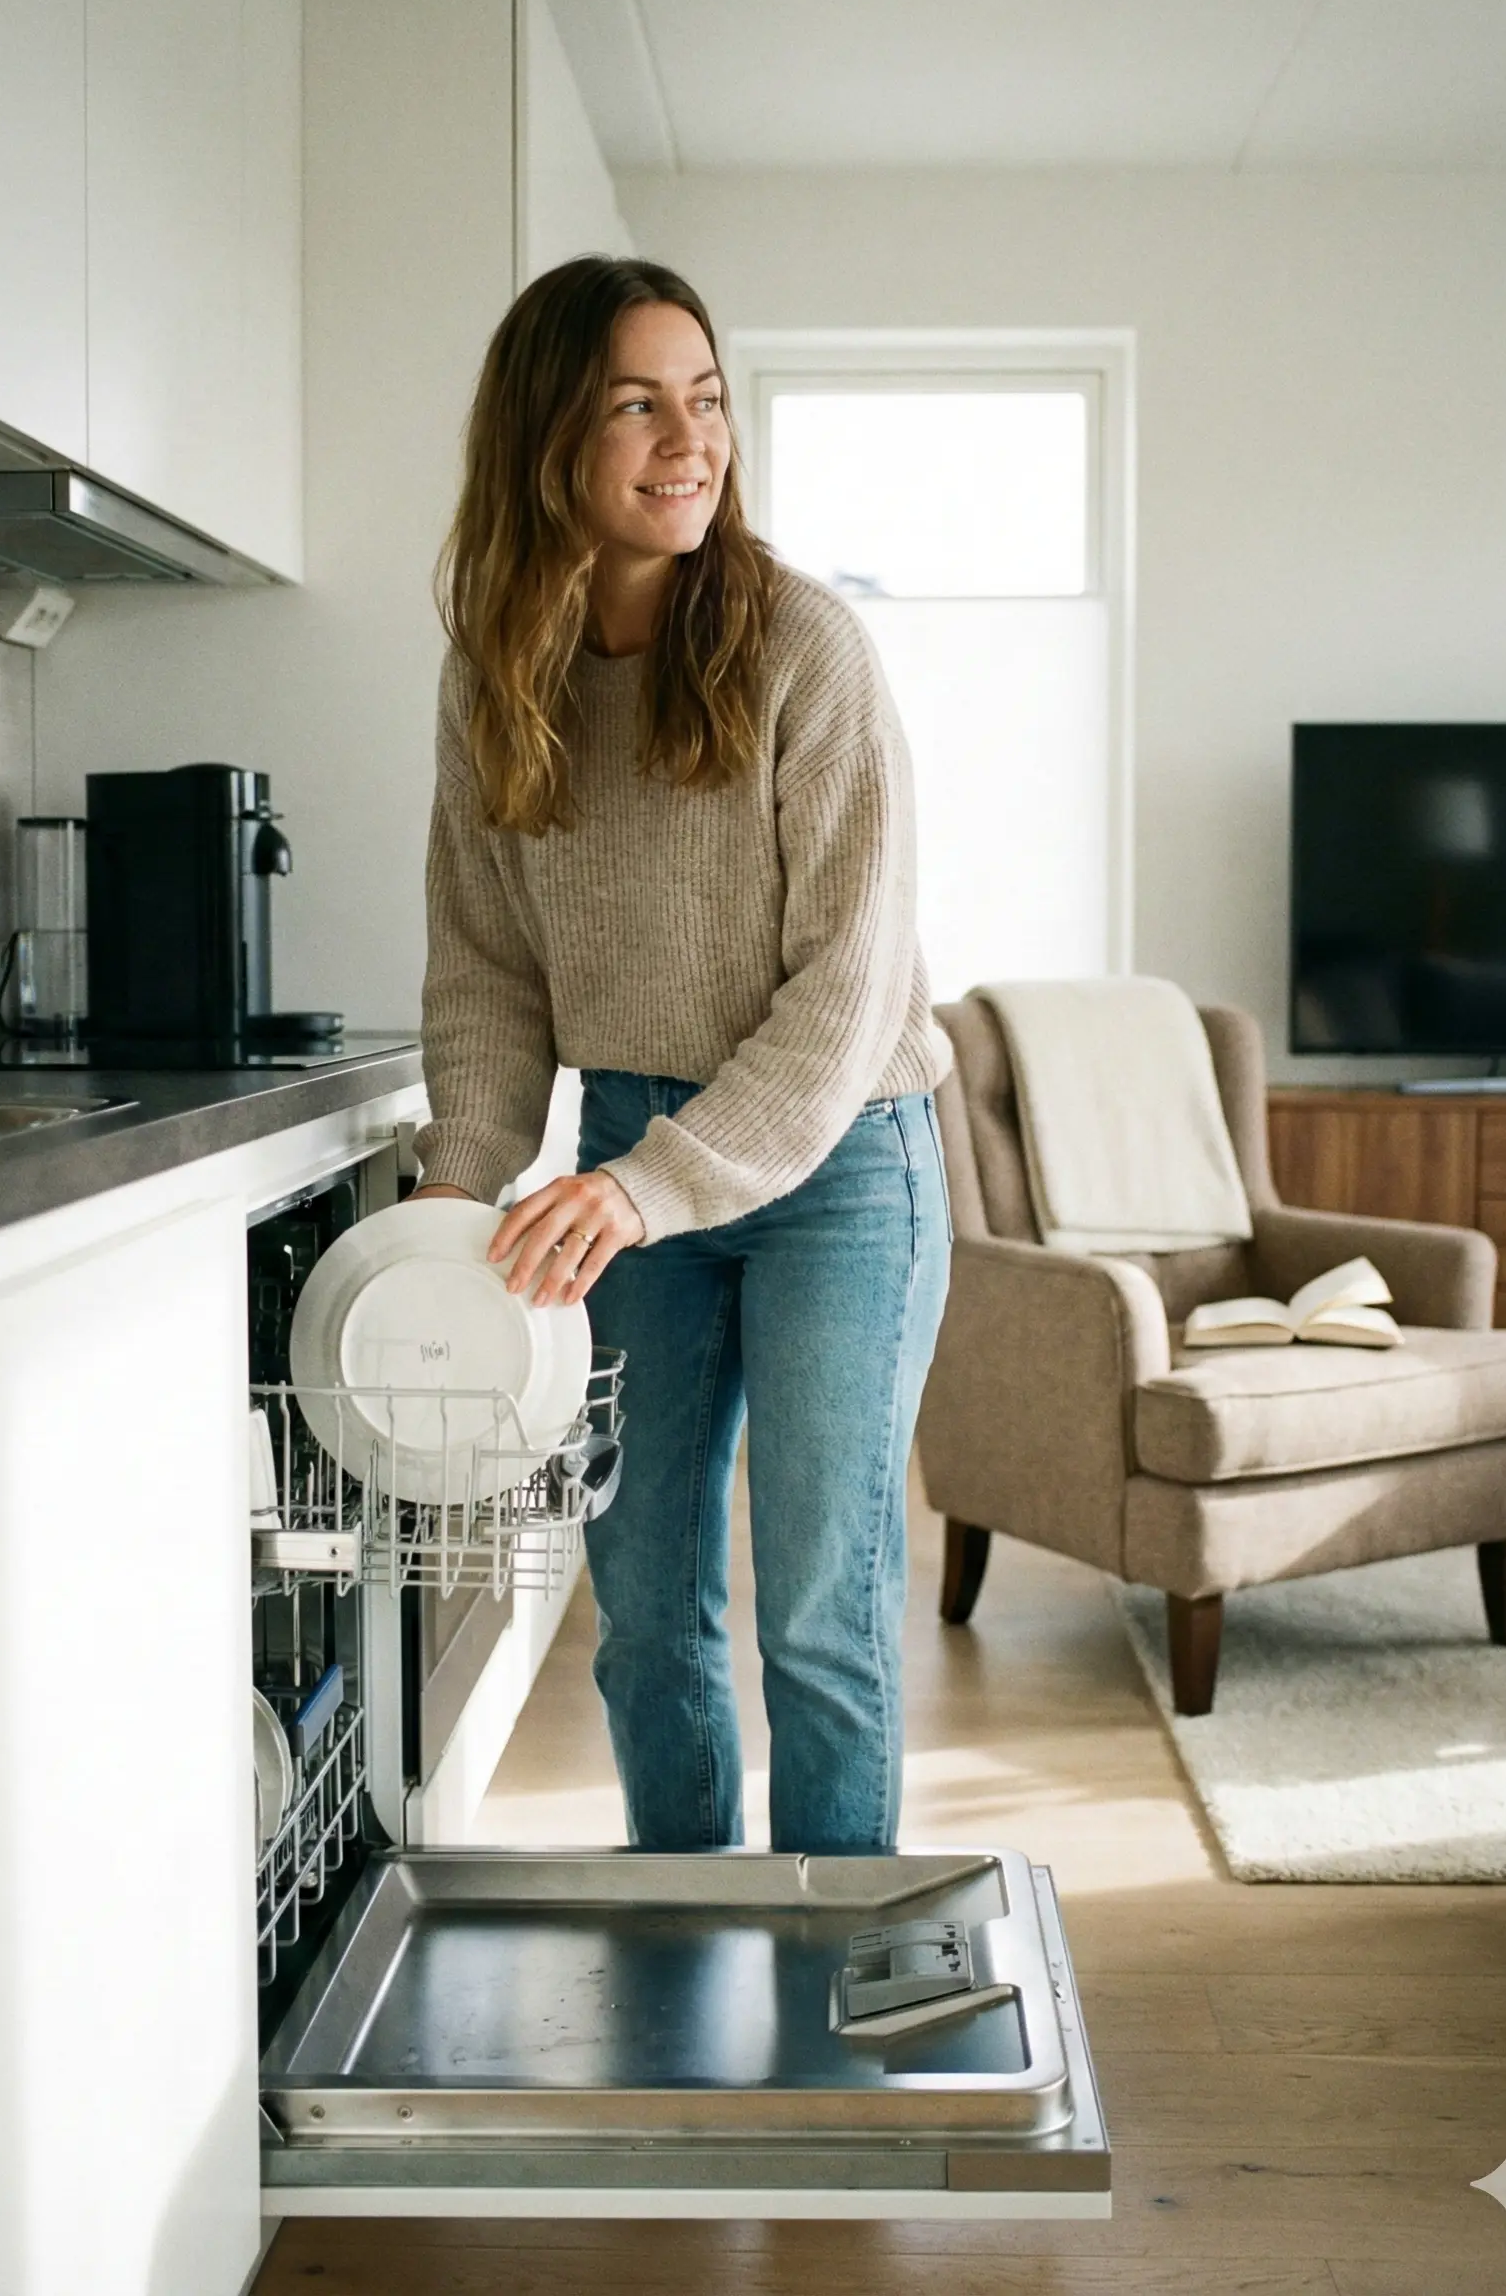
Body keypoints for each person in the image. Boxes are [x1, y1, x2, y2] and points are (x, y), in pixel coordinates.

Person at [411, 253, 953, 1854]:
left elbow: (848, 996)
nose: (688, 438)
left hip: (844, 1164)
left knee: (820, 1624)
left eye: (703, 398)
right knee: (642, 1619)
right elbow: (490, 966)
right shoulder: (494, 674)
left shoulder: (808, 647)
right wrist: (460, 1176)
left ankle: (834, 1999)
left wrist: (652, 1187)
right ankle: (685, 1944)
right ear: (547, 440)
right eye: (637, 404)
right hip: (634, 1154)